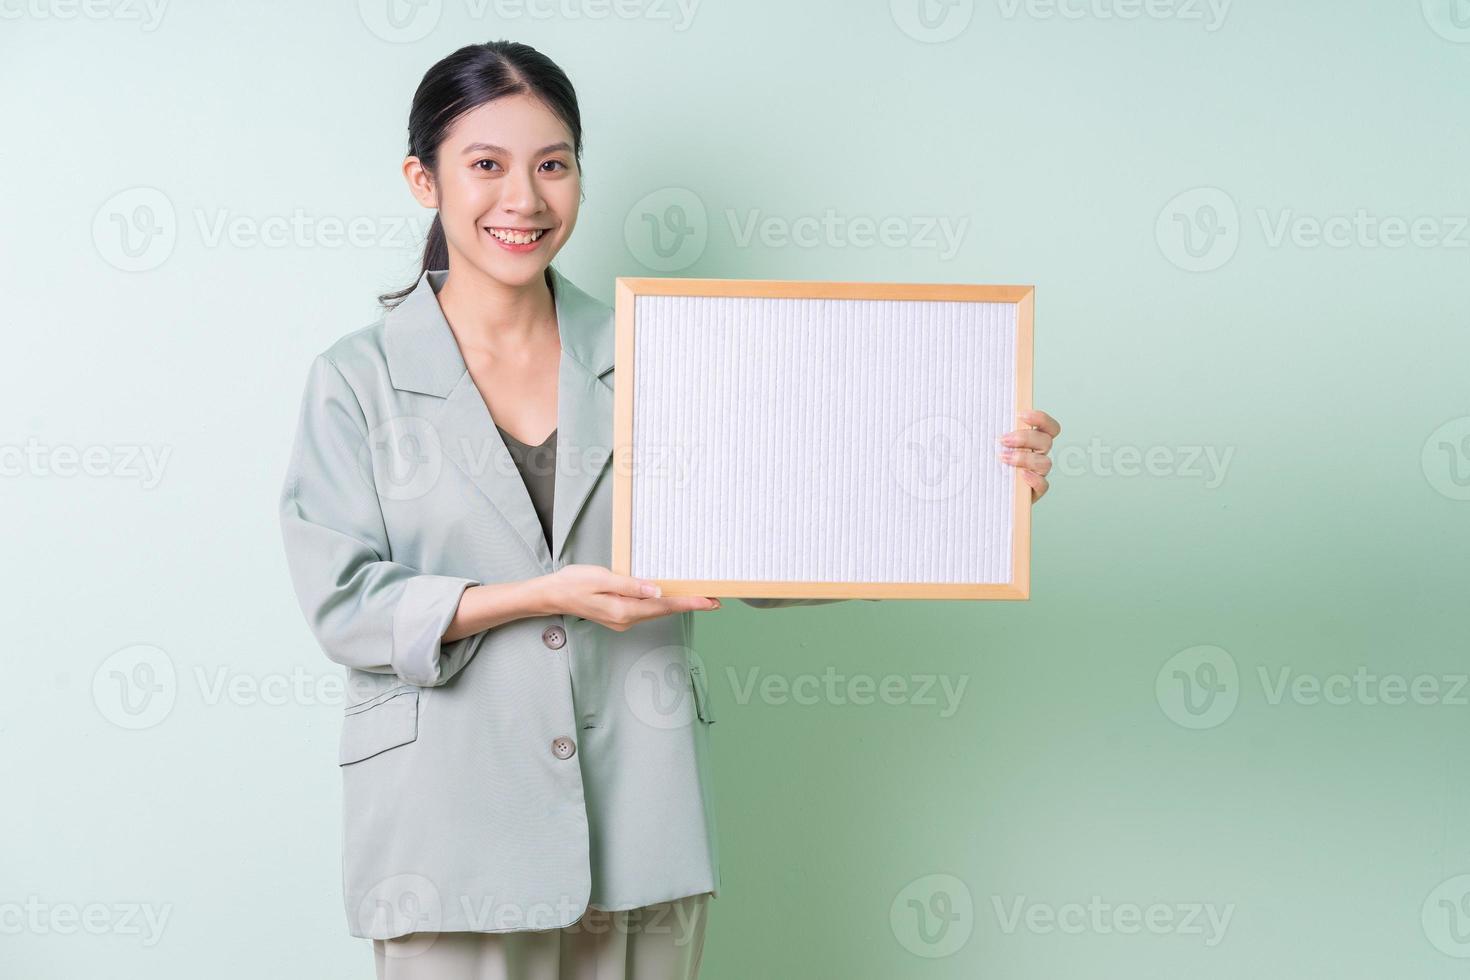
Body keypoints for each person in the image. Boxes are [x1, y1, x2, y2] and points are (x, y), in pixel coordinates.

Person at [276, 39, 1060, 980]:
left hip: (638, 828)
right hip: (448, 836)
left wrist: (975, 490)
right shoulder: (356, 379)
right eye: (486, 165)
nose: (523, 199)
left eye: (553, 165)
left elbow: (764, 540)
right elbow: (345, 602)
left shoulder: (667, 351)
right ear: (423, 178)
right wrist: (537, 596)